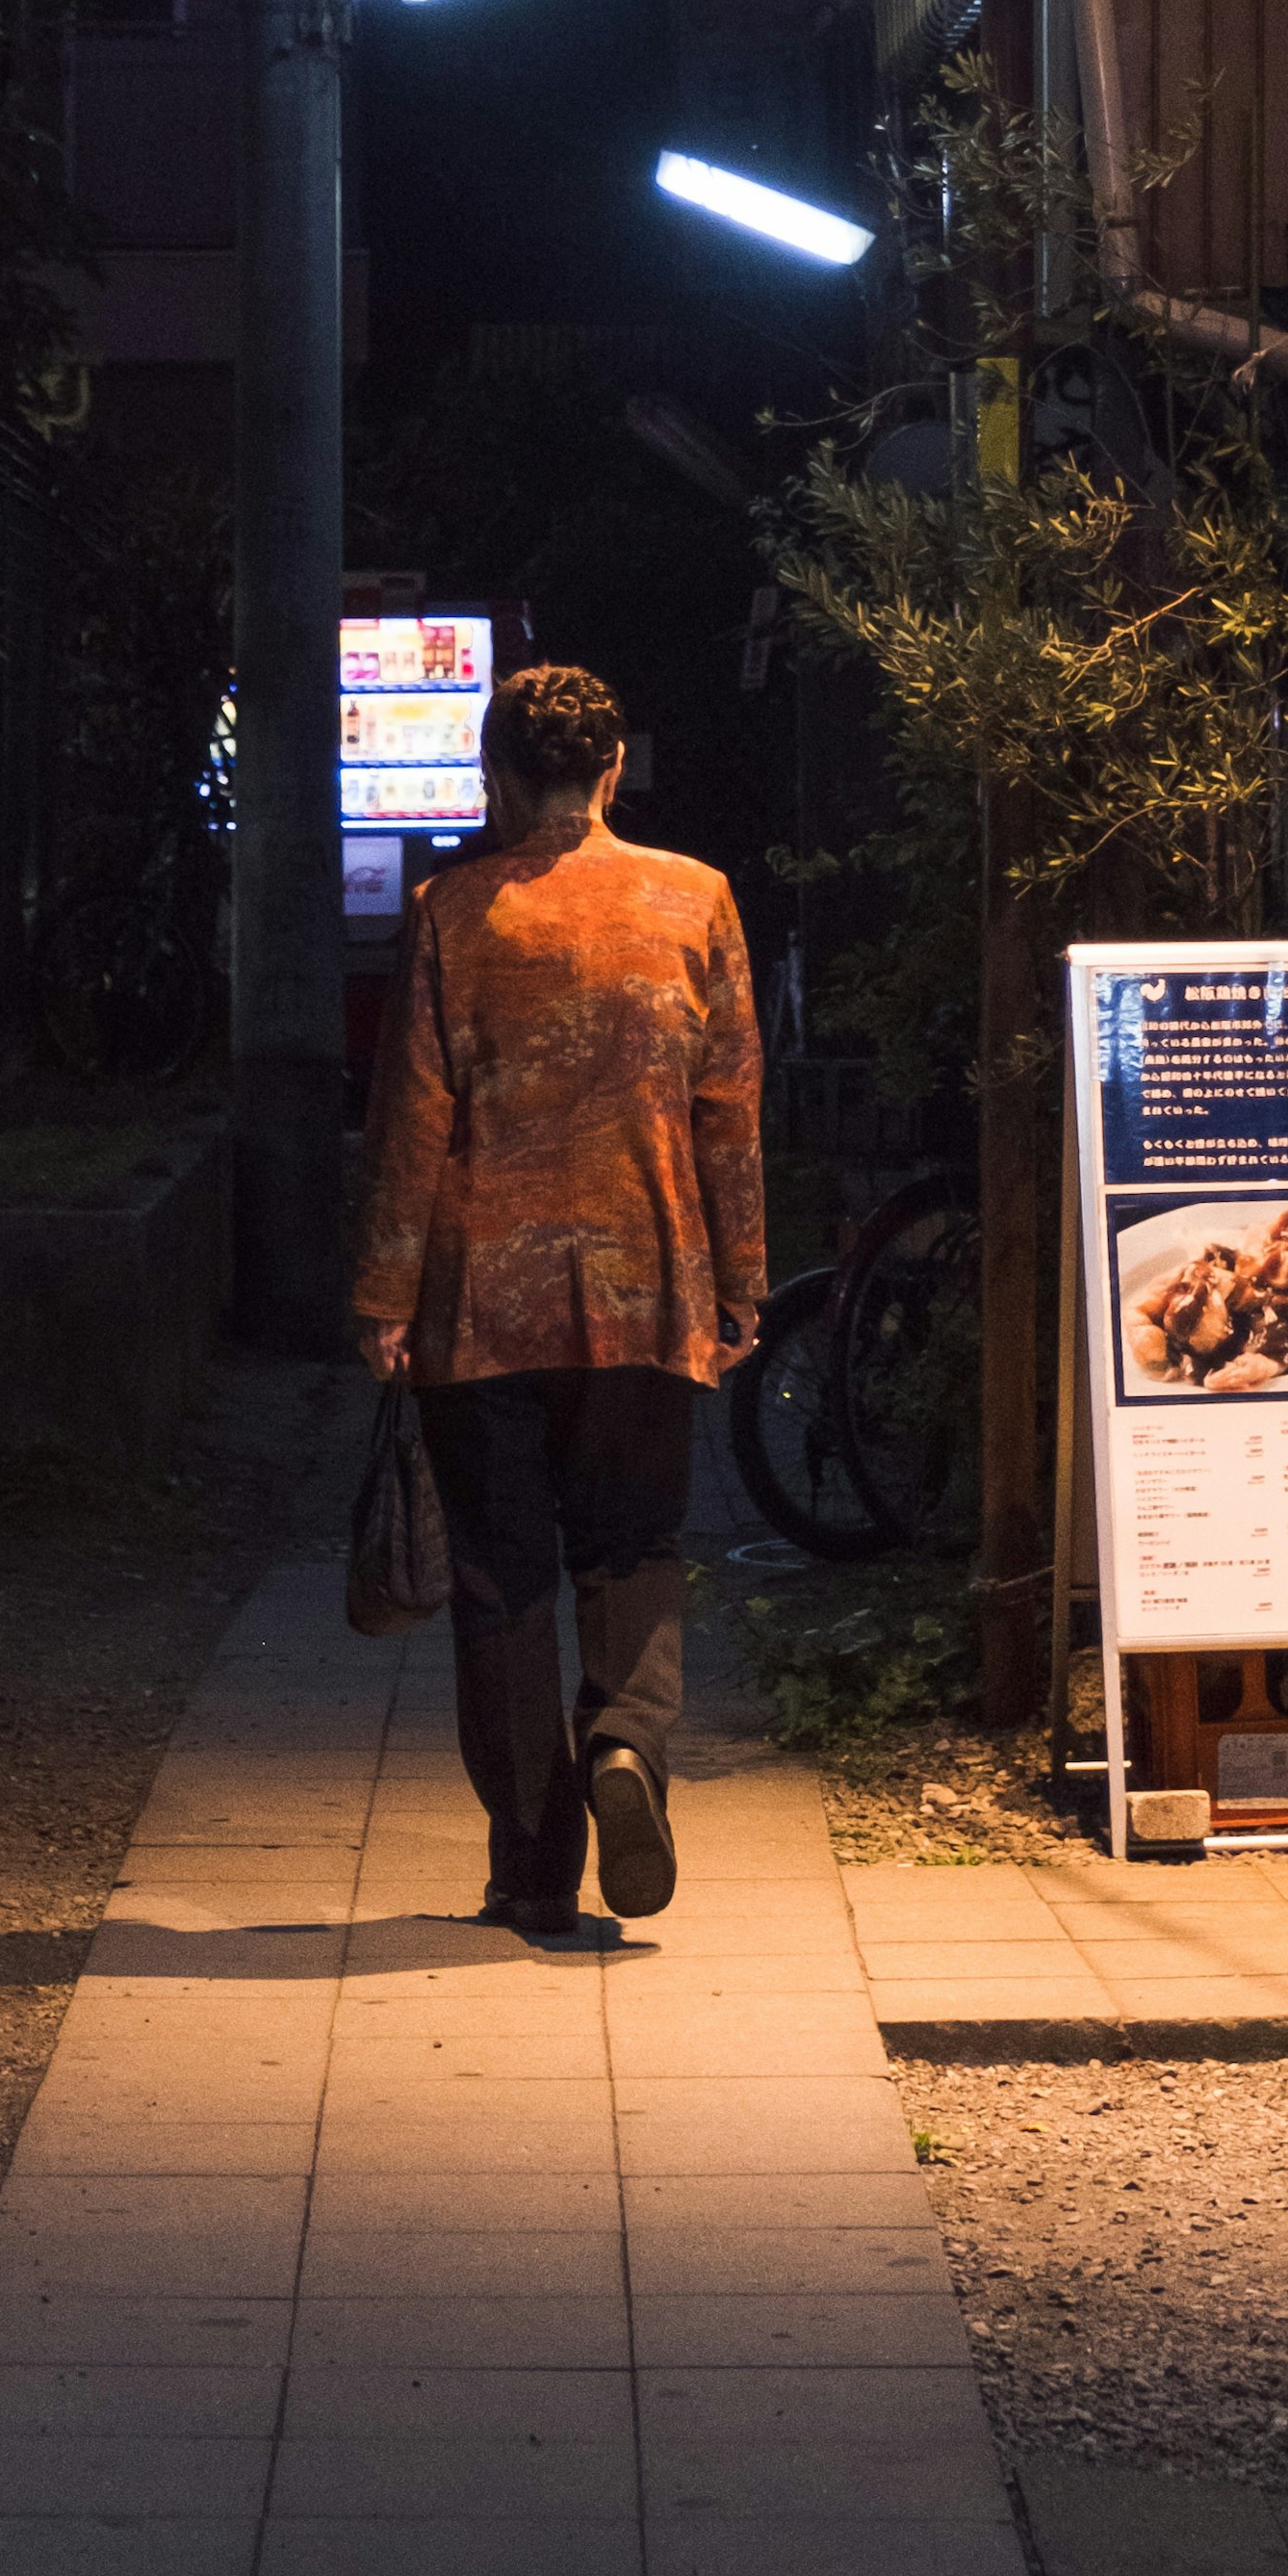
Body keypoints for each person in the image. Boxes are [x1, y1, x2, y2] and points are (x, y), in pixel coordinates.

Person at [348, 659, 763, 1937]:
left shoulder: (452, 912)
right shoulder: (696, 901)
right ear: (613, 769)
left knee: (504, 1576)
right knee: (635, 1545)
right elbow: (729, 1112)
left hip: (485, 1306)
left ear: (495, 774)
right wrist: (744, 1278)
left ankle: (534, 1870)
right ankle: (628, 1742)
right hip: (647, 1287)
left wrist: (385, 1292)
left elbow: (414, 1121)